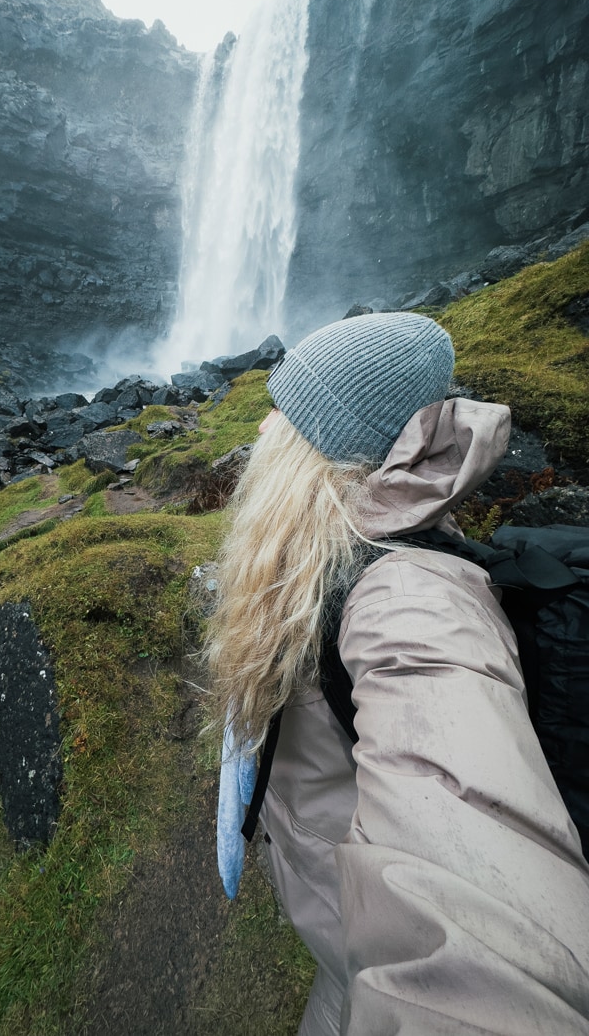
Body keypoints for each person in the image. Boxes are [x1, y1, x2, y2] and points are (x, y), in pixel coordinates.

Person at [206, 312, 589, 1035]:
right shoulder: (321, 554)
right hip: (345, 944)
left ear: (329, 450)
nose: (259, 432)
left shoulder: (408, 601)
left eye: (284, 415)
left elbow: (479, 940)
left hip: (372, 953)